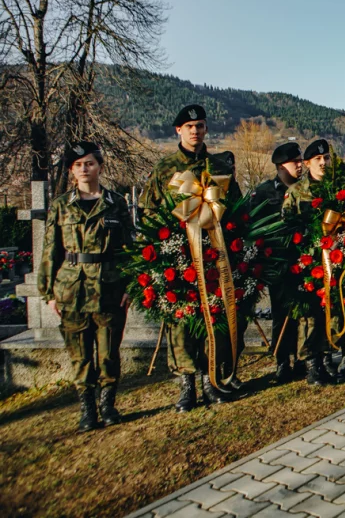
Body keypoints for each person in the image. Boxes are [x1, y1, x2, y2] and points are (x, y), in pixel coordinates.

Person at [141, 105, 241, 411]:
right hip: (180, 258)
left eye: (199, 125)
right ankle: (187, 385)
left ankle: (212, 380)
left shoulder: (220, 165)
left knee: (215, 316)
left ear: (206, 129)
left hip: (215, 255)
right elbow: (149, 212)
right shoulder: (165, 169)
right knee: (182, 322)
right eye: (188, 126)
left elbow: (235, 206)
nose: (195, 130)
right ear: (178, 131)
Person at [38, 142, 133, 432]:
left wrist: (131, 285)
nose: (84, 169)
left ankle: (108, 405)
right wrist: (47, 292)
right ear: (71, 170)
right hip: (72, 291)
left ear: (99, 167)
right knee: (80, 355)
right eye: (78, 165)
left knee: (108, 353)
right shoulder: (60, 205)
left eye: (89, 163)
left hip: (109, 289)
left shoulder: (115, 203)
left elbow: (128, 248)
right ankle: (87, 409)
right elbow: (50, 249)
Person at [281, 139, 341, 385]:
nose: (323, 162)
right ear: (307, 163)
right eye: (317, 159)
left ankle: (327, 356)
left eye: (325, 158)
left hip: (333, 259)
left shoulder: (335, 189)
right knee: (309, 315)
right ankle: (311, 363)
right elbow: (287, 226)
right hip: (308, 263)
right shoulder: (297, 192)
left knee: (332, 310)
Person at [251, 142, 303, 383]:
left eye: (301, 161)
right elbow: (253, 229)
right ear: (282, 166)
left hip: (304, 261)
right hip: (278, 263)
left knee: (305, 311)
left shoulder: (306, 190)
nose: (301, 165)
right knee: (282, 313)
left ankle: (303, 356)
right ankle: (283, 360)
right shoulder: (263, 193)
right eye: (295, 162)